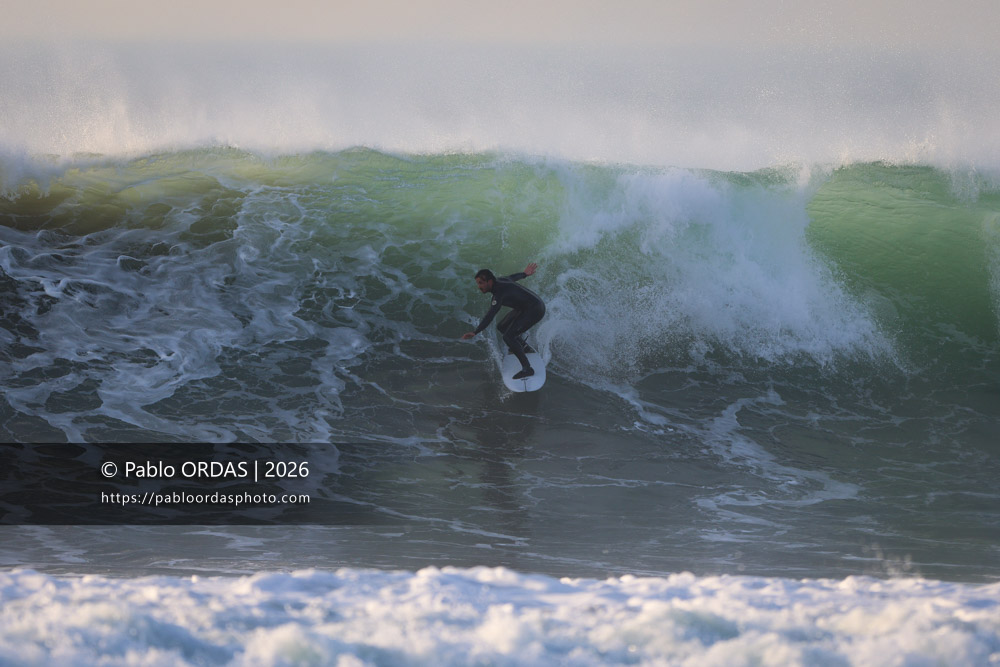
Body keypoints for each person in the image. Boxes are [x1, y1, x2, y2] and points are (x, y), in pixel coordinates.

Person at [461, 262, 545, 380]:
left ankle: (527, 369)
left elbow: (490, 315)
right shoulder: (501, 280)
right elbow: (512, 277)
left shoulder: (498, 295)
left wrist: (476, 332)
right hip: (527, 307)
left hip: (534, 310)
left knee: (508, 337)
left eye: (481, 283)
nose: (479, 286)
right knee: (502, 326)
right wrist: (524, 274)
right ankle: (524, 347)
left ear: (489, 282)